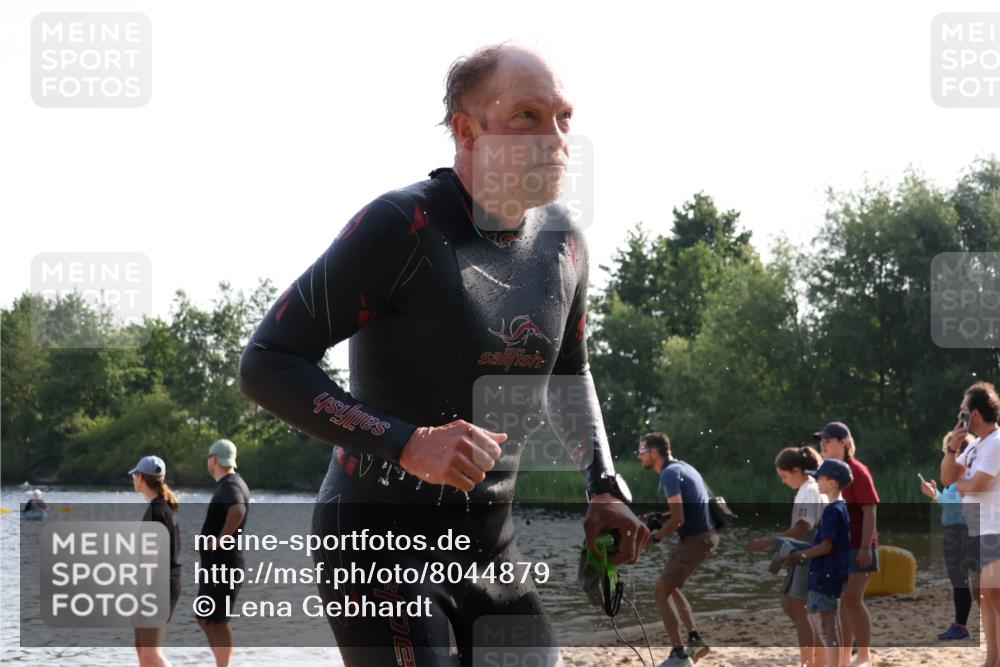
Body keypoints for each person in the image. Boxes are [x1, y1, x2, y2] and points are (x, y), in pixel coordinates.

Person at [238, 42, 649, 666]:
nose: (556, 138)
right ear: (467, 131)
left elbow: (570, 372)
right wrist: (408, 443)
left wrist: (603, 486)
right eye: (527, 117)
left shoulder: (564, 244)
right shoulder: (402, 226)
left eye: (564, 117)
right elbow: (268, 360)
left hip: (492, 548)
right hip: (376, 546)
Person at [638, 432, 717, 667]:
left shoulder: (669, 474)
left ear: (654, 453)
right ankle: (695, 640)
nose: (639, 457)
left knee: (660, 592)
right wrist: (661, 518)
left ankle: (679, 655)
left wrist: (656, 537)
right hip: (705, 537)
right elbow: (687, 509)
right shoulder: (682, 467)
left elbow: (679, 519)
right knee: (670, 586)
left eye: (641, 452)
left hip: (696, 539)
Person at [747, 446, 828, 667]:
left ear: (796, 471)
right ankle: (820, 654)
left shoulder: (808, 490)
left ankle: (810, 661)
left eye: (784, 476)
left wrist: (768, 542)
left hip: (807, 552)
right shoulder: (810, 488)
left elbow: (802, 528)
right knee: (788, 603)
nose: (783, 482)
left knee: (796, 606)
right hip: (805, 551)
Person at [941, 381, 1000, 667]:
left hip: (996, 528)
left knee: (994, 594)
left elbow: (976, 485)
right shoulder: (975, 445)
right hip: (978, 528)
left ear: (974, 414)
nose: (959, 415)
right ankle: (991, 659)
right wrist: (952, 448)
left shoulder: (997, 442)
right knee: (986, 597)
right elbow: (946, 478)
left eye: (963, 410)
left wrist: (961, 485)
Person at [814, 422, 878, 667]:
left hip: (861, 546)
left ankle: (864, 656)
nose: (823, 445)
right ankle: (843, 658)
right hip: (841, 548)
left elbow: (870, 510)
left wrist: (865, 547)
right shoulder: (829, 472)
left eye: (828, 440)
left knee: (852, 599)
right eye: (821, 441)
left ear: (844, 443)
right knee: (844, 602)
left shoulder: (858, 471)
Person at [784, 459, 852, 667]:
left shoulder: (832, 511)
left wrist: (800, 555)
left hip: (827, 573)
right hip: (838, 572)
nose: (815, 481)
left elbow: (826, 546)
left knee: (828, 624)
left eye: (819, 478)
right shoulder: (842, 507)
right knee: (831, 621)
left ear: (832, 483)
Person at [196, 439, 251, 667]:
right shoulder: (231, 483)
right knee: (205, 618)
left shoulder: (230, 485)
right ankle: (220, 663)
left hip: (224, 565)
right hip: (218, 566)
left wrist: (220, 541)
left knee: (217, 620)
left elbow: (238, 510)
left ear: (213, 460)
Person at [920, 431, 976, 641]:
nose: (948, 455)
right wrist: (937, 493)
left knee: (962, 580)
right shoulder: (956, 479)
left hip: (962, 532)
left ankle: (961, 626)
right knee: (961, 580)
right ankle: (960, 624)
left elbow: (956, 506)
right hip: (957, 531)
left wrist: (935, 495)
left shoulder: (965, 475)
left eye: (950, 450)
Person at [129, 455, 181, 667]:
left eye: (135, 475)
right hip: (161, 585)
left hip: (157, 588)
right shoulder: (163, 507)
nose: (133, 479)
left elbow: (150, 562)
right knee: (142, 650)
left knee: (150, 655)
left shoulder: (157, 512)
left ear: (141, 478)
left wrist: (140, 595)